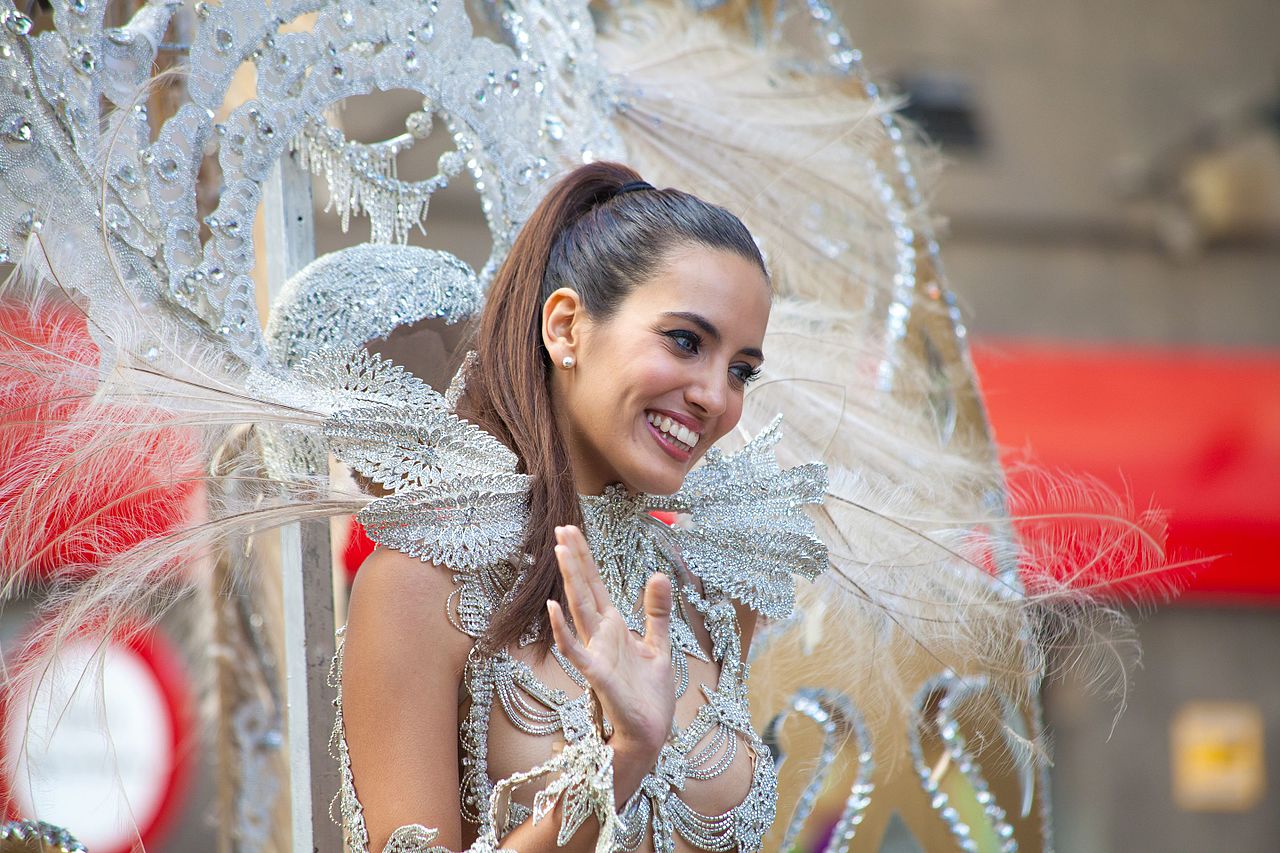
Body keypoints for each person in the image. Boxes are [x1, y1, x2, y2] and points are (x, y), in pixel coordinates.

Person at [333, 160, 825, 852]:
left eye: (740, 369)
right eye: (686, 341)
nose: (716, 397)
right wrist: (621, 758)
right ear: (565, 327)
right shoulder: (423, 585)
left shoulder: (711, 589)